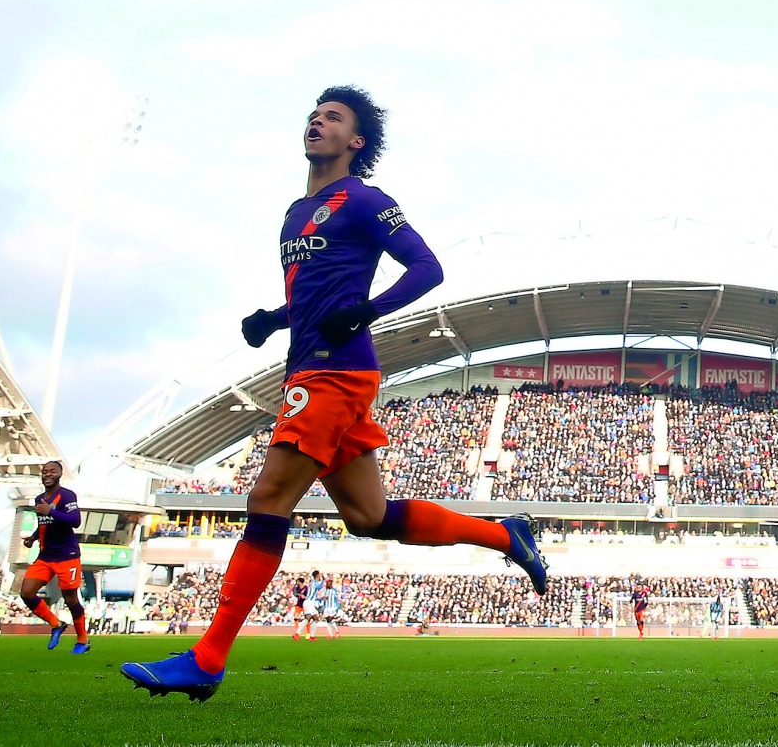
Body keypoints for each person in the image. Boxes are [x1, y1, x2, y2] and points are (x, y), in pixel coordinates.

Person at [121, 85, 547, 702]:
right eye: (314, 114)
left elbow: (428, 268)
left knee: (269, 497)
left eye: (333, 117)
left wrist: (368, 313)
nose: (317, 122)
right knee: (369, 517)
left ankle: (208, 659)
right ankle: (506, 535)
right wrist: (275, 317)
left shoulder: (367, 201)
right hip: (307, 362)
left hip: (335, 371)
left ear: (356, 141)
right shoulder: (296, 213)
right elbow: (314, 299)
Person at [19, 461, 90, 654]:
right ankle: (56, 623)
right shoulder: (40, 498)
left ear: (59, 474)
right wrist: (33, 538)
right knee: (26, 592)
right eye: (45, 471)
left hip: (67, 555)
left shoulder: (67, 496)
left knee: (71, 599)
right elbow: (45, 523)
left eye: (52, 471)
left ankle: (83, 640)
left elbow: (75, 521)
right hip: (46, 556)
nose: (48, 474)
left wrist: (51, 511)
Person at [302, 569, 324, 641]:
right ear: (317, 575)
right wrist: (323, 580)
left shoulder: (313, 582)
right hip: (309, 602)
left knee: (316, 619)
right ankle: (297, 633)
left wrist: (320, 599)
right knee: (308, 618)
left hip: (311, 602)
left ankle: (312, 636)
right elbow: (320, 586)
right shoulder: (314, 582)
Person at [290, 576, 308, 640]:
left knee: (307, 618)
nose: (296, 582)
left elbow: (308, 596)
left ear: (300, 582)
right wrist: (300, 595)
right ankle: (298, 631)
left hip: (305, 604)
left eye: (297, 581)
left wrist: (304, 597)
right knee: (296, 617)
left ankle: (308, 633)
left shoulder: (306, 588)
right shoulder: (296, 588)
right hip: (299, 604)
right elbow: (295, 593)